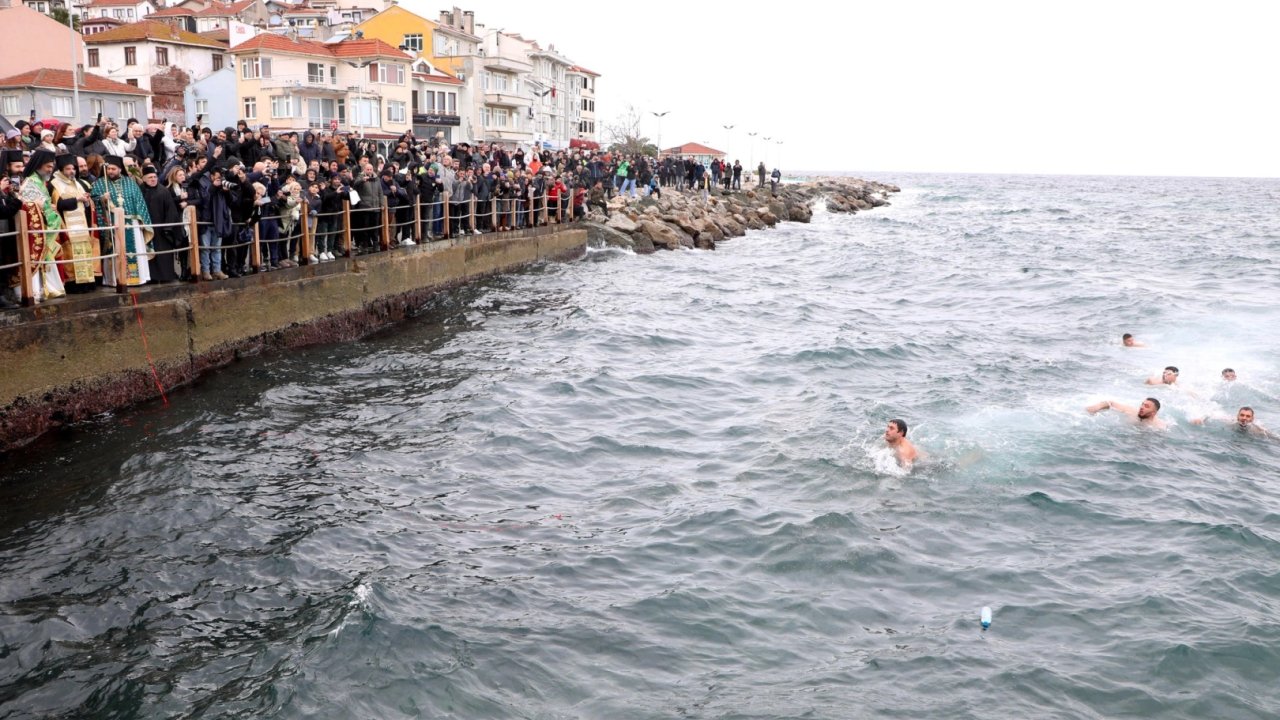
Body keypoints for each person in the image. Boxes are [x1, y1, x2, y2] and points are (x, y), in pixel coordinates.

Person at [17, 148, 67, 301]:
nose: (50, 169)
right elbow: (29, 205)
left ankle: (50, 289)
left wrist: (49, 207)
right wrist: (46, 207)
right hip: (35, 231)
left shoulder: (40, 182)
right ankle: (38, 291)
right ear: (39, 165)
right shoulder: (30, 183)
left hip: (45, 226)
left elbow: (42, 203)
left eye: (52, 166)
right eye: (48, 166)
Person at [50, 153, 100, 293]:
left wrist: (86, 199)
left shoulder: (78, 183)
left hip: (82, 224)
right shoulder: (55, 184)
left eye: (73, 168)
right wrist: (77, 199)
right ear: (61, 170)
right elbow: (57, 204)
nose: (72, 171)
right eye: (68, 169)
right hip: (68, 226)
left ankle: (87, 283)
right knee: (71, 255)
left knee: (85, 254)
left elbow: (84, 201)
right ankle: (74, 285)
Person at [1086, 397, 1167, 429]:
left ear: (1153, 413)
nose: (1142, 407)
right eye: (1142, 404)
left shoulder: (1158, 426)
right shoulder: (1132, 411)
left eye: (1146, 406)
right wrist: (1095, 408)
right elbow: (1110, 403)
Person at [1190, 406, 1273, 438]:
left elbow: (1272, 436)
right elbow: (1212, 414)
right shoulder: (1230, 421)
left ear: (1252, 419)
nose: (1244, 418)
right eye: (1242, 415)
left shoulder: (1258, 429)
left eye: (1248, 416)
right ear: (1237, 416)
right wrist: (1201, 419)